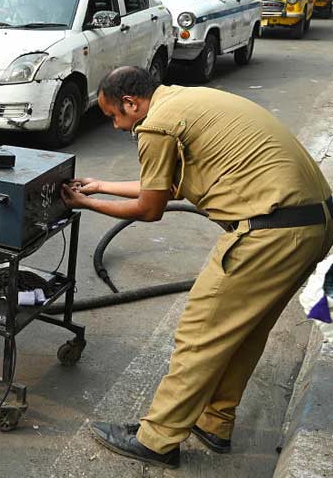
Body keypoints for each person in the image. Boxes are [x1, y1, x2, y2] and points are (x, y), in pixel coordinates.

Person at [61, 66, 333, 469]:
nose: (116, 126)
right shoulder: (182, 103)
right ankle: (214, 422)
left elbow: (150, 208)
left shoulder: (156, 126)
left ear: (131, 103)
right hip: (312, 223)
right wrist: (101, 186)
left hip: (268, 231)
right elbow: (166, 187)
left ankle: (157, 439)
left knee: (199, 331)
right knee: (243, 332)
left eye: (113, 116)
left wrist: (85, 203)